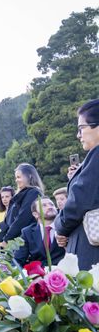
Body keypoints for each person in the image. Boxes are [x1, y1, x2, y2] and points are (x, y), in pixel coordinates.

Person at [55, 99, 99, 270]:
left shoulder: (97, 154)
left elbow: (80, 201)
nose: (78, 135)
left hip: (91, 249)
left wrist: (60, 226)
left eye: (82, 129)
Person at [0, 163, 44, 246]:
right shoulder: (23, 193)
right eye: (16, 177)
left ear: (29, 176)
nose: (16, 180)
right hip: (17, 239)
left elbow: (23, 218)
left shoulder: (33, 193)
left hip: (24, 240)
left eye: (19, 177)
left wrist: (7, 239)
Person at [14, 197, 65, 267]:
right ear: (35, 214)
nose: (50, 207)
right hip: (38, 274)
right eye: (44, 205)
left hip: (64, 273)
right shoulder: (27, 232)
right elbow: (18, 259)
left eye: (52, 204)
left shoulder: (66, 227)